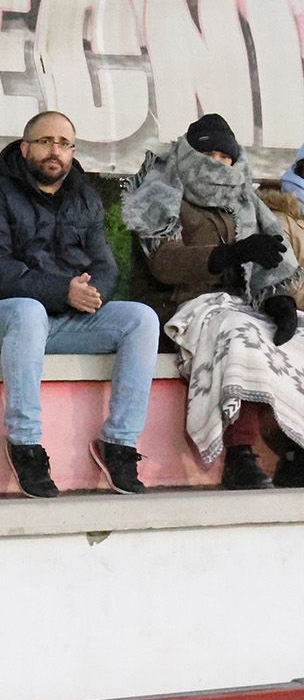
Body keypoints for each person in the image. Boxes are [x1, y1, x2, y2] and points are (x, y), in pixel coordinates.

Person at [0, 110, 160, 498]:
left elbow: (105, 265)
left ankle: (119, 443)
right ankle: (25, 444)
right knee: (29, 311)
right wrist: (61, 291)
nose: (56, 151)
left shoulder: (84, 198)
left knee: (141, 319)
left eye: (65, 144)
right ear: (25, 146)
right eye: (47, 141)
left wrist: (89, 291)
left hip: (55, 321)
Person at [123, 113, 304, 489]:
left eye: (227, 157)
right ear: (190, 153)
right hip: (176, 306)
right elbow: (164, 262)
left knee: (295, 335)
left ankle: (295, 451)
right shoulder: (161, 190)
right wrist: (229, 253)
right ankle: (239, 456)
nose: (219, 164)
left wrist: (279, 300)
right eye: (210, 155)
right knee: (240, 333)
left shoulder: (244, 200)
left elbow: (269, 265)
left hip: (236, 306)